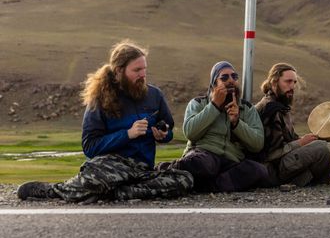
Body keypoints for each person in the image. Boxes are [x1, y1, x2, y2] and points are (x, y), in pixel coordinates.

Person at [17, 40, 194, 202]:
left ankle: (116, 193)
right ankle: (52, 191)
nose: (143, 74)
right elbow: (90, 147)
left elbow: (168, 129)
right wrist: (127, 134)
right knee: (95, 178)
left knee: (184, 179)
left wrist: (163, 135)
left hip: (143, 170)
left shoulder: (154, 95)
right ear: (119, 71)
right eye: (137, 70)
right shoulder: (100, 99)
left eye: (144, 69)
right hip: (111, 167)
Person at [156, 61, 268, 192]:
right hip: (205, 154)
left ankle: (206, 186)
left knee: (259, 171)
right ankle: (165, 169)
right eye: (224, 78)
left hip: (231, 161)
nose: (231, 80)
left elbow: (257, 144)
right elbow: (190, 132)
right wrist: (214, 106)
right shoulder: (198, 103)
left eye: (234, 76)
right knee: (202, 165)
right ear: (214, 84)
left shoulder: (247, 109)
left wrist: (236, 123)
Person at [254, 63, 330, 187]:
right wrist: (300, 143)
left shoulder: (280, 105)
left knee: (318, 144)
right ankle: (322, 185)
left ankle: (309, 182)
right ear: (274, 82)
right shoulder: (270, 109)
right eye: (288, 81)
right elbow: (271, 153)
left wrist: (303, 140)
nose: (292, 86)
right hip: (273, 168)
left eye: (294, 82)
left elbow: (288, 140)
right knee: (322, 148)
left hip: (283, 163)